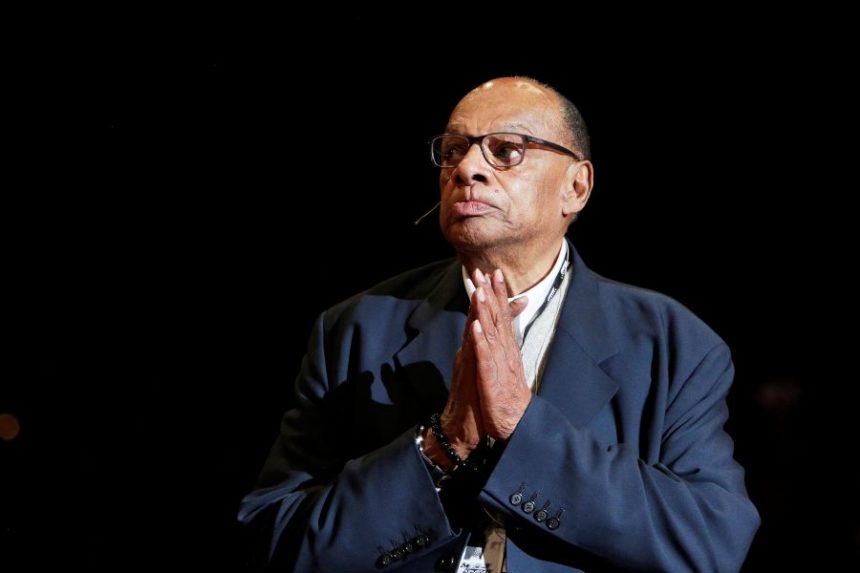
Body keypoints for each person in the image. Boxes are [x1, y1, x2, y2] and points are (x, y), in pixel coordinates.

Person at [238, 77, 760, 572]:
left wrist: (522, 426)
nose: (467, 169)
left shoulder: (672, 342)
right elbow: (275, 540)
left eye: (506, 150)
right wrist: (441, 447)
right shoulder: (354, 330)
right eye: (453, 151)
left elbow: (709, 543)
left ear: (576, 186)